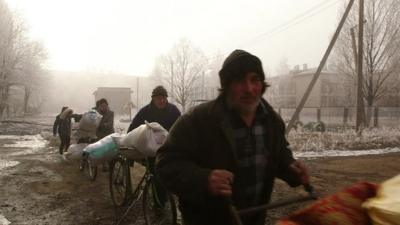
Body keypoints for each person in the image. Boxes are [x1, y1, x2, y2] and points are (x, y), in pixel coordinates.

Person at [155, 49, 310, 225]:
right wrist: (203, 179)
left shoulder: (272, 122)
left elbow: (278, 154)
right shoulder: (197, 121)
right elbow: (165, 164)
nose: (249, 89)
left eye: (255, 80)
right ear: (227, 86)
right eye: (239, 81)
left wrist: (291, 168)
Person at [128, 85, 181, 207]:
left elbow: (182, 127)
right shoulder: (145, 111)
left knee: (173, 172)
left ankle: (166, 196)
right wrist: (130, 140)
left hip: (169, 147)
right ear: (153, 99)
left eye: (164, 98)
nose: (161, 101)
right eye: (158, 98)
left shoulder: (174, 111)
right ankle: (158, 203)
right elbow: (134, 127)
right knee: (157, 173)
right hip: (151, 149)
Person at [95, 98, 115, 172]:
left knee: (110, 150)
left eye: (105, 105)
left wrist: (102, 125)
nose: (104, 107)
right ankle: (104, 165)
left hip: (109, 134)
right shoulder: (96, 113)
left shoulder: (111, 113)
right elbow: (95, 123)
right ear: (99, 106)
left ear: (107, 105)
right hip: (99, 135)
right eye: (102, 106)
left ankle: (110, 164)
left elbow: (110, 123)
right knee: (102, 150)